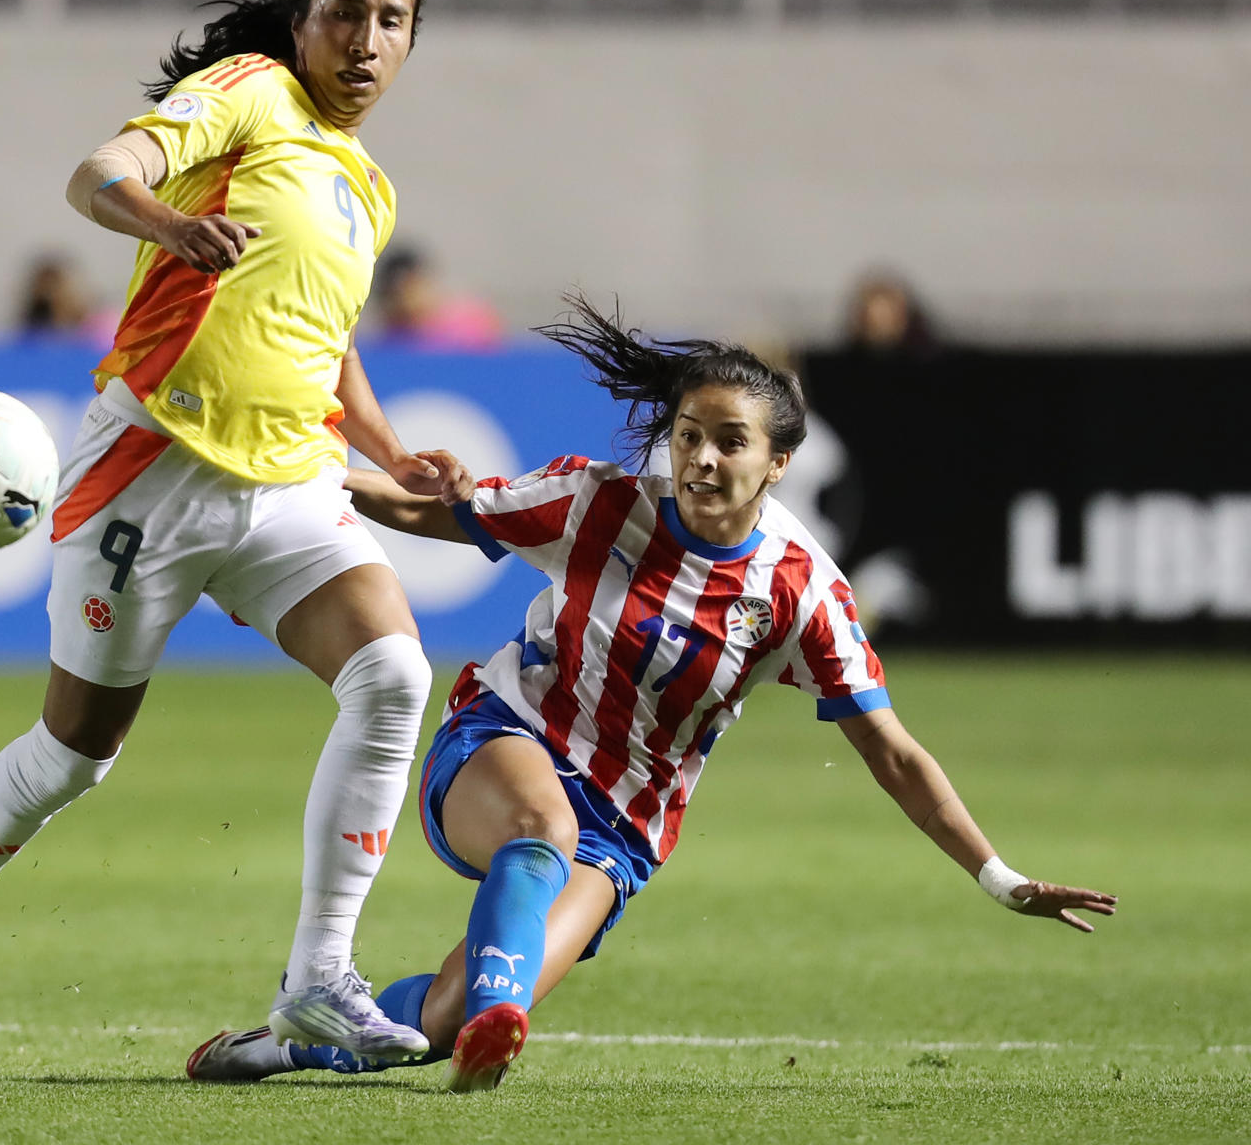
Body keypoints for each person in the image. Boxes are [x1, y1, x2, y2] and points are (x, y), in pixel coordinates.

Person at [185, 296, 1118, 1091]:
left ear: (779, 463)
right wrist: (294, 480)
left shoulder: (803, 590)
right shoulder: (609, 502)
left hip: (624, 827)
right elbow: (437, 510)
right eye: (689, 437)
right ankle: (502, 1014)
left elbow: (894, 751)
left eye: (731, 443)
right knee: (534, 838)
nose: (703, 460)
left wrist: (1001, 878)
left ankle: (290, 1045)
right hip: (505, 740)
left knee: (439, 1022)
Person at [0, 0, 473, 1060]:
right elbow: (96, 174)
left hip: (287, 484)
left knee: (394, 672)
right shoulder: (245, 93)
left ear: (410, 44)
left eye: (390, 20)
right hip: (150, 465)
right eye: (344, 11)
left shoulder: (371, 190)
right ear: (300, 20)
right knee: (74, 755)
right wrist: (172, 225)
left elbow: (328, 338)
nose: (364, 38)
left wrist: (390, 450)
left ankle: (318, 976)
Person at [372, 247, 504, 351]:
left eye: (410, 287)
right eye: (397, 293)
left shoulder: (471, 321)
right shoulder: (392, 337)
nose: (406, 299)